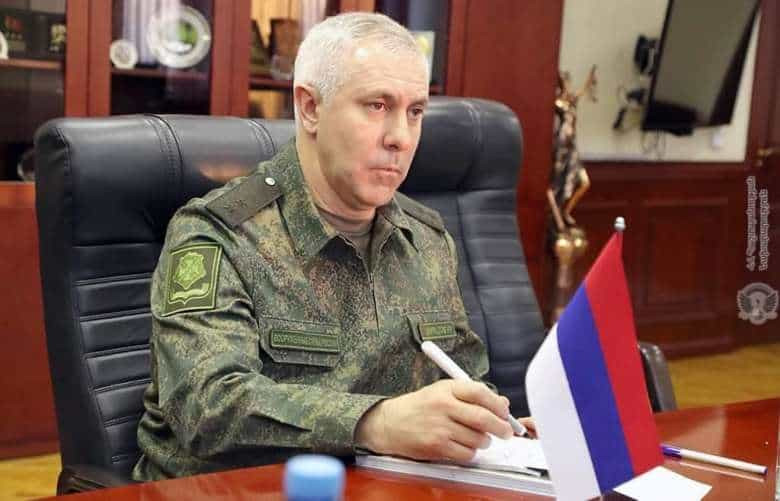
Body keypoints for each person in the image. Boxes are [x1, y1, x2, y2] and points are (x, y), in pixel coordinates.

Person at [133, 12, 531, 481]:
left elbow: (464, 377)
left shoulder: (426, 239)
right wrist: (375, 423)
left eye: (415, 112)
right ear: (310, 108)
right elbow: (207, 406)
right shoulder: (218, 234)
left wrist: (498, 429)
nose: (401, 138)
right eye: (377, 106)